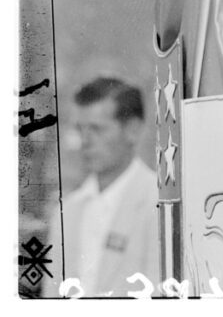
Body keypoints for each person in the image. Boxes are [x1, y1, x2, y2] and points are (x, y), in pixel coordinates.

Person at [45, 77, 158, 297]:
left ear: (133, 130)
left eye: (96, 129)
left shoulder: (158, 204)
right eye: (80, 129)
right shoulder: (67, 210)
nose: (85, 141)